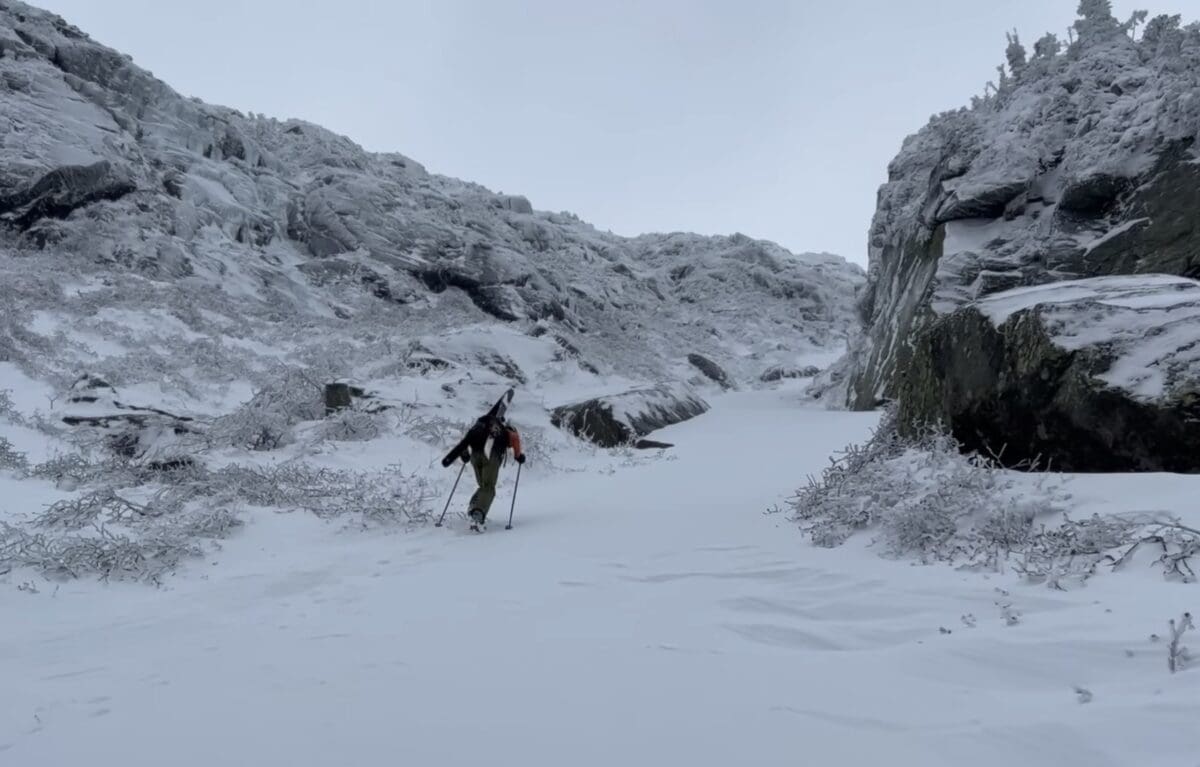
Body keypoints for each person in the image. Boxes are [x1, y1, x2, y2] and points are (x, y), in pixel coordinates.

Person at [441, 413, 525, 526]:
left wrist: (464, 455)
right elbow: (514, 438)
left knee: (483, 486)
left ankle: (473, 507)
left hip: (475, 456)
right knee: (488, 487)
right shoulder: (506, 430)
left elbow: (465, 440)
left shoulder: (480, 426)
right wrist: (519, 456)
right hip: (491, 457)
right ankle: (478, 513)